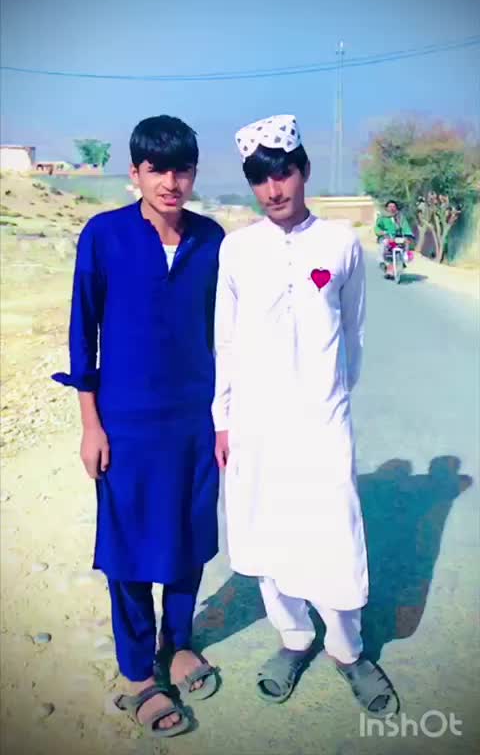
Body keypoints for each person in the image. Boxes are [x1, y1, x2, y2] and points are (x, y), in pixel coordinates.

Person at [213, 115, 398, 715]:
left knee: (334, 528)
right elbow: (226, 340)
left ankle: (348, 649)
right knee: (266, 526)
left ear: (304, 171)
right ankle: (293, 637)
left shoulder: (341, 244)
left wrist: (331, 398)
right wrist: (223, 417)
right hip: (256, 421)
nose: (273, 190)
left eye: (283, 174)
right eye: (260, 179)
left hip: (321, 417)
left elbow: (355, 332)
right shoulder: (237, 249)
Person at [52, 115, 224, 737]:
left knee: (187, 533)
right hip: (124, 420)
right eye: (157, 169)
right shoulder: (104, 235)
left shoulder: (212, 240)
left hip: (194, 419)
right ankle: (136, 674)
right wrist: (90, 424)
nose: (171, 182)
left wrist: (227, 420)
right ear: (135, 172)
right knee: (126, 547)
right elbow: (83, 331)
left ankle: (177, 643)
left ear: (194, 173)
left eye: (182, 169)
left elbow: (227, 334)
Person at [375, 200, 415, 266]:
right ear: (386, 208)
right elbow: (377, 227)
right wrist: (381, 232)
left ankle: (404, 257)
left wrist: (407, 235)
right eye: (390, 206)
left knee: (406, 242)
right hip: (387, 237)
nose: (392, 208)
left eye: (393, 206)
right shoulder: (382, 218)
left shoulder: (400, 217)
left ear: (396, 208)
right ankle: (381, 261)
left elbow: (405, 227)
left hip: (397, 238)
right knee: (383, 244)